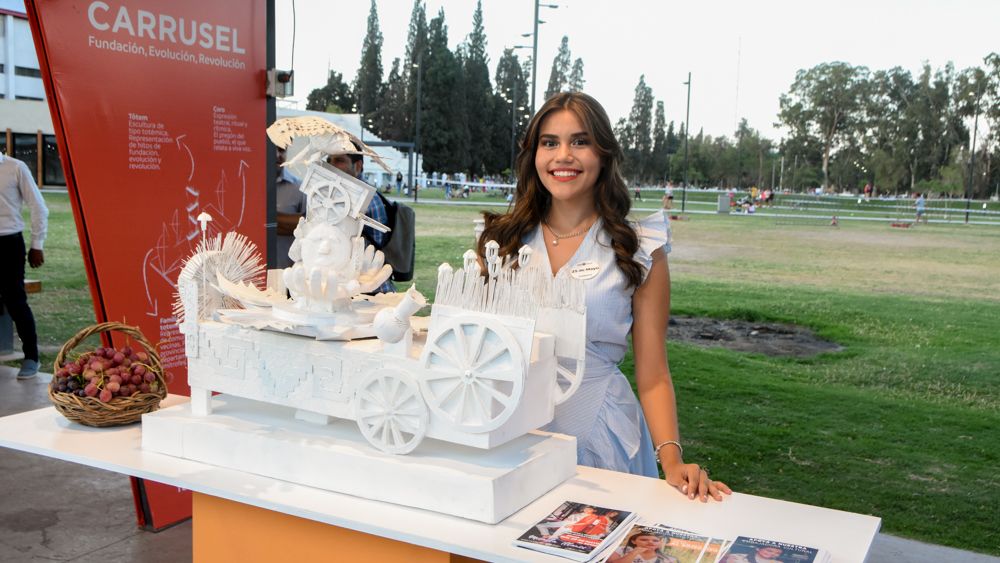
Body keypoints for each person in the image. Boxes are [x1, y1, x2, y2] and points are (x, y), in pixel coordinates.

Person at [478, 92, 730, 502]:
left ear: (604, 153)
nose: (564, 156)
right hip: (512, 433)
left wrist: (672, 460)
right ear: (533, 154)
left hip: (600, 434)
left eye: (580, 141)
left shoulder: (639, 249)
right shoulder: (501, 242)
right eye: (549, 142)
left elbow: (653, 375)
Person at [0, 152, 48, 379]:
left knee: (16, 300)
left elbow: (38, 206)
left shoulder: (15, 168)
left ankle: (31, 357)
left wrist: (37, 244)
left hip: (9, 243)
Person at [326, 143, 394, 293]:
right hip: (349, 284)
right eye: (329, 160)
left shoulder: (367, 199)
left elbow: (374, 247)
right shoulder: (337, 196)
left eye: (339, 160)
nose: (331, 165)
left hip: (370, 287)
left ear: (357, 166)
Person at [275, 147, 306, 269]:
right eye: (272, 150)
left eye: (282, 150)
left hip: (287, 273)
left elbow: (306, 227)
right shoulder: (248, 185)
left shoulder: (300, 188)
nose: (278, 155)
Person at [608, 532, 678, 563]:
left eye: (655, 540)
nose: (650, 542)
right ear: (633, 541)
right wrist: (633, 553)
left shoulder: (667, 559)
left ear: (660, 543)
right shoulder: (621, 549)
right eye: (644, 540)